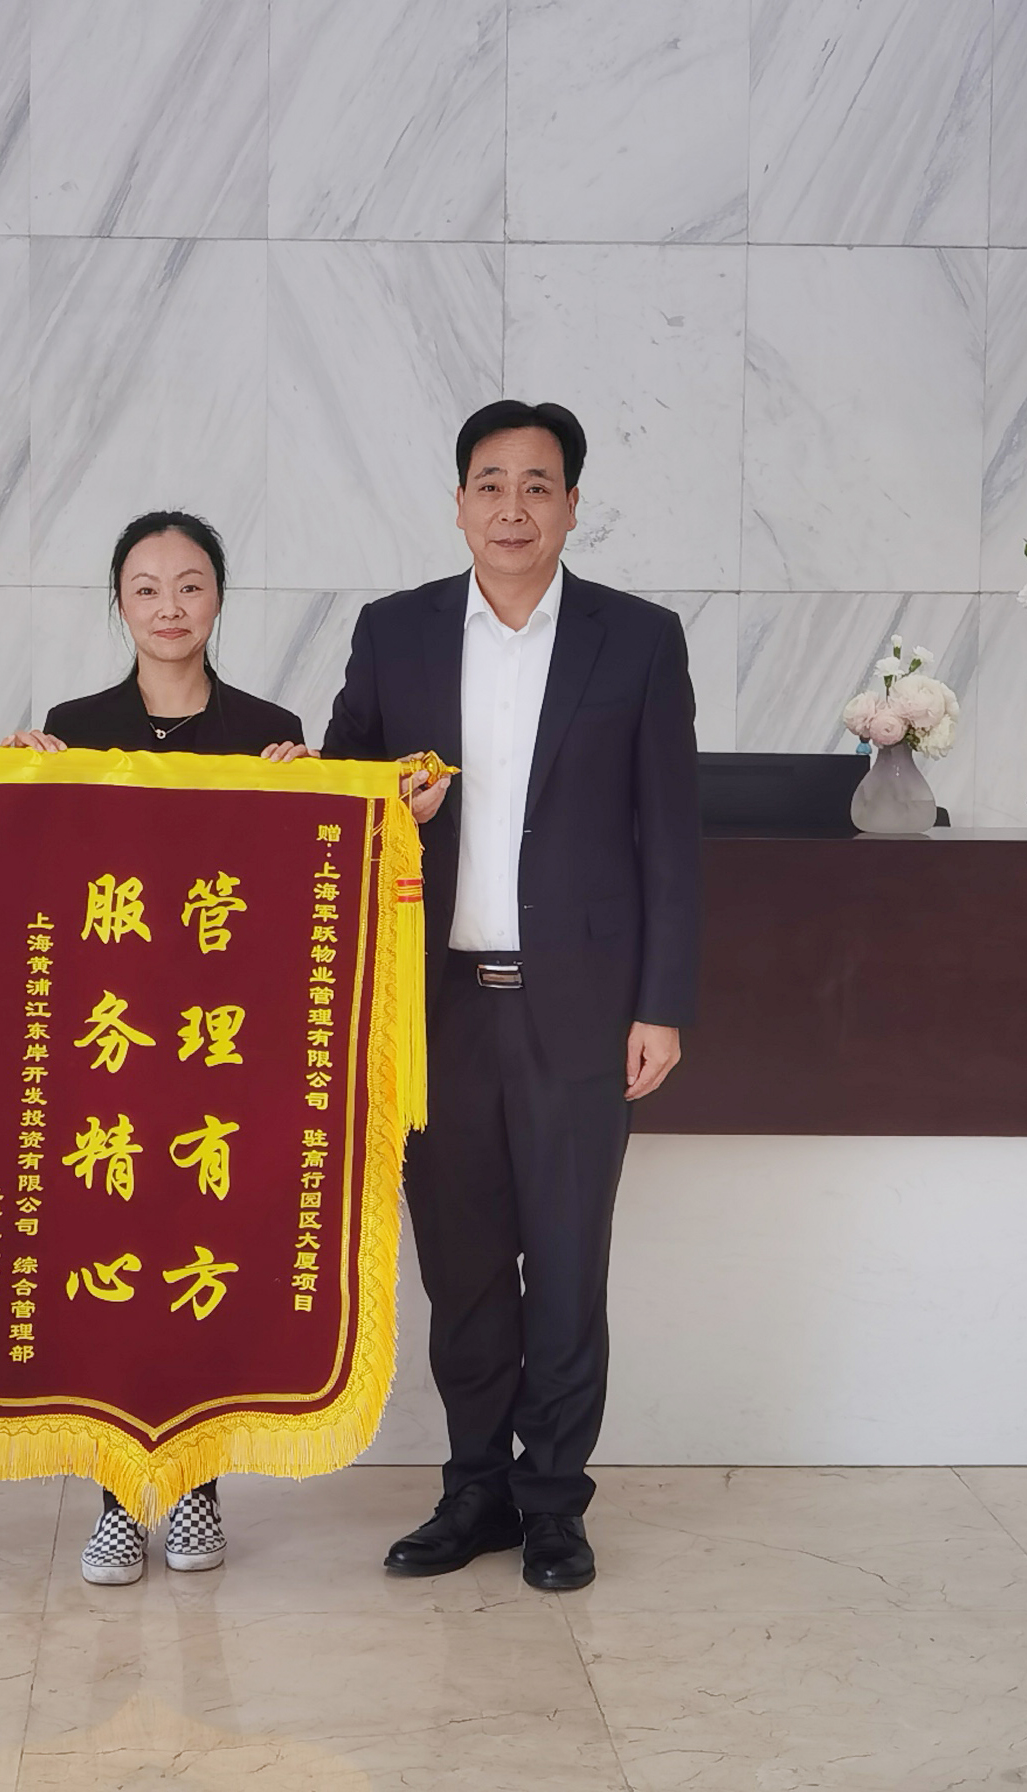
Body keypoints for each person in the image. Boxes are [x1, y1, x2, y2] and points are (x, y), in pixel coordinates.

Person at [319, 398, 700, 1593]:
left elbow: (668, 836)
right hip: (433, 1008)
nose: (512, 507)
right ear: (458, 503)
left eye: (538, 485)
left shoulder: (637, 640)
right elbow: (336, 798)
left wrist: (660, 1002)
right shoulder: (395, 632)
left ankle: (553, 1504)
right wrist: (384, 801)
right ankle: (474, 1488)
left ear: (572, 506)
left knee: (568, 1263)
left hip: (579, 1006)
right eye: (490, 483)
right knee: (465, 1268)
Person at [8, 510, 305, 1586]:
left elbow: (298, 894)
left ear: (218, 599)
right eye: (146, 587)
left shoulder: (269, 730)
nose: (169, 606)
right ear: (119, 603)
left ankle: (194, 1490)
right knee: (109, 1269)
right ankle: (115, 1501)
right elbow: (35, 882)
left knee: (207, 1266)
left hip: (224, 1049)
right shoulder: (73, 726)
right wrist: (21, 784)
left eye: (189, 585)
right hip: (112, 1049)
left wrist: (307, 792)